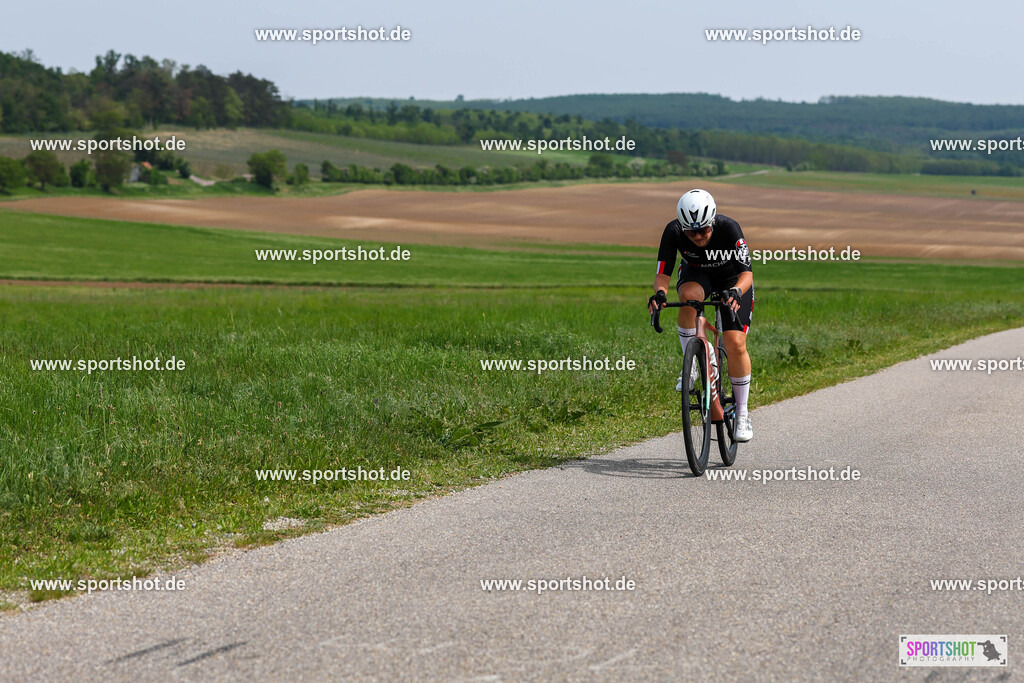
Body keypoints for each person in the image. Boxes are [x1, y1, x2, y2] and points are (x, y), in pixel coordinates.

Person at [647, 189, 755, 441]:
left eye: (703, 230)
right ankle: (694, 362)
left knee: (736, 343)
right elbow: (663, 274)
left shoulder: (729, 228)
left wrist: (736, 292)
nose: (697, 236)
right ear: (682, 227)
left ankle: (742, 413)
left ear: (713, 221)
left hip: (732, 279)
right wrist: (660, 294)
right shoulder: (672, 231)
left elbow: (747, 274)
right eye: (691, 232)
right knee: (688, 297)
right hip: (698, 275)